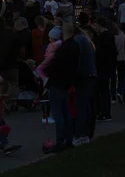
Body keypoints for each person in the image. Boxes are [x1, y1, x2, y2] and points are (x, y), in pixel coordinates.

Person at [45, 23, 80, 153]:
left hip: (57, 82)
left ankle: (60, 141)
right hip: (67, 82)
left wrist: (48, 71)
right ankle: (68, 139)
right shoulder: (74, 46)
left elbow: (56, 65)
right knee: (66, 112)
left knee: (58, 113)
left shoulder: (64, 48)